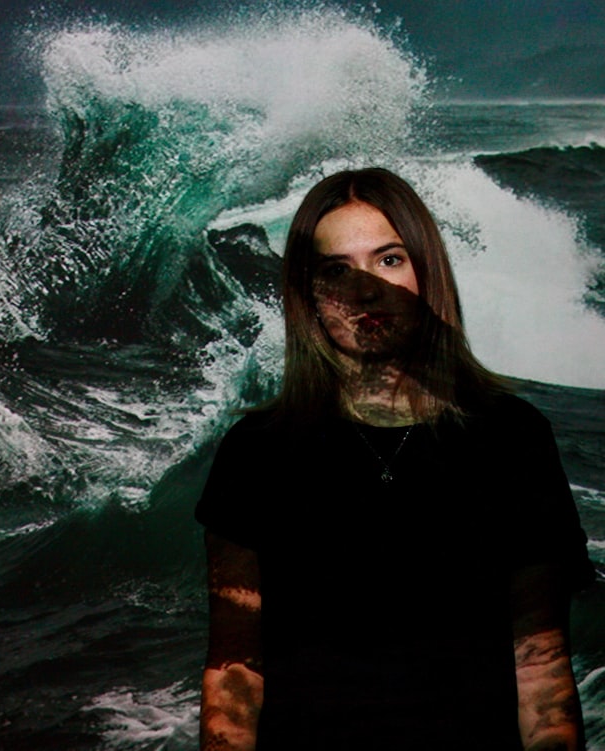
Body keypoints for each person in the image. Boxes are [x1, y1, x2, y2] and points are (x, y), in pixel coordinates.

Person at [196, 168, 594, 750]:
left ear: (426, 271)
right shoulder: (258, 451)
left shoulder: (511, 439)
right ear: (309, 294)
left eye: (389, 259)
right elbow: (234, 671)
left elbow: (539, 667)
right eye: (337, 270)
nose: (366, 290)